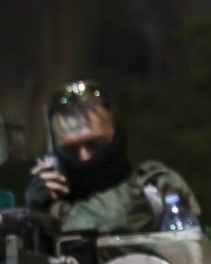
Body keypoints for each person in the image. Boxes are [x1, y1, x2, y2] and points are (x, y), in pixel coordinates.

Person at [24, 79, 199, 233]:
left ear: (117, 134)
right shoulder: (53, 196)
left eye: (95, 144)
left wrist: (52, 211)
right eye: (70, 149)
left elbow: (108, 218)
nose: (84, 157)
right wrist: (35, 211)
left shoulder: (154, 186)